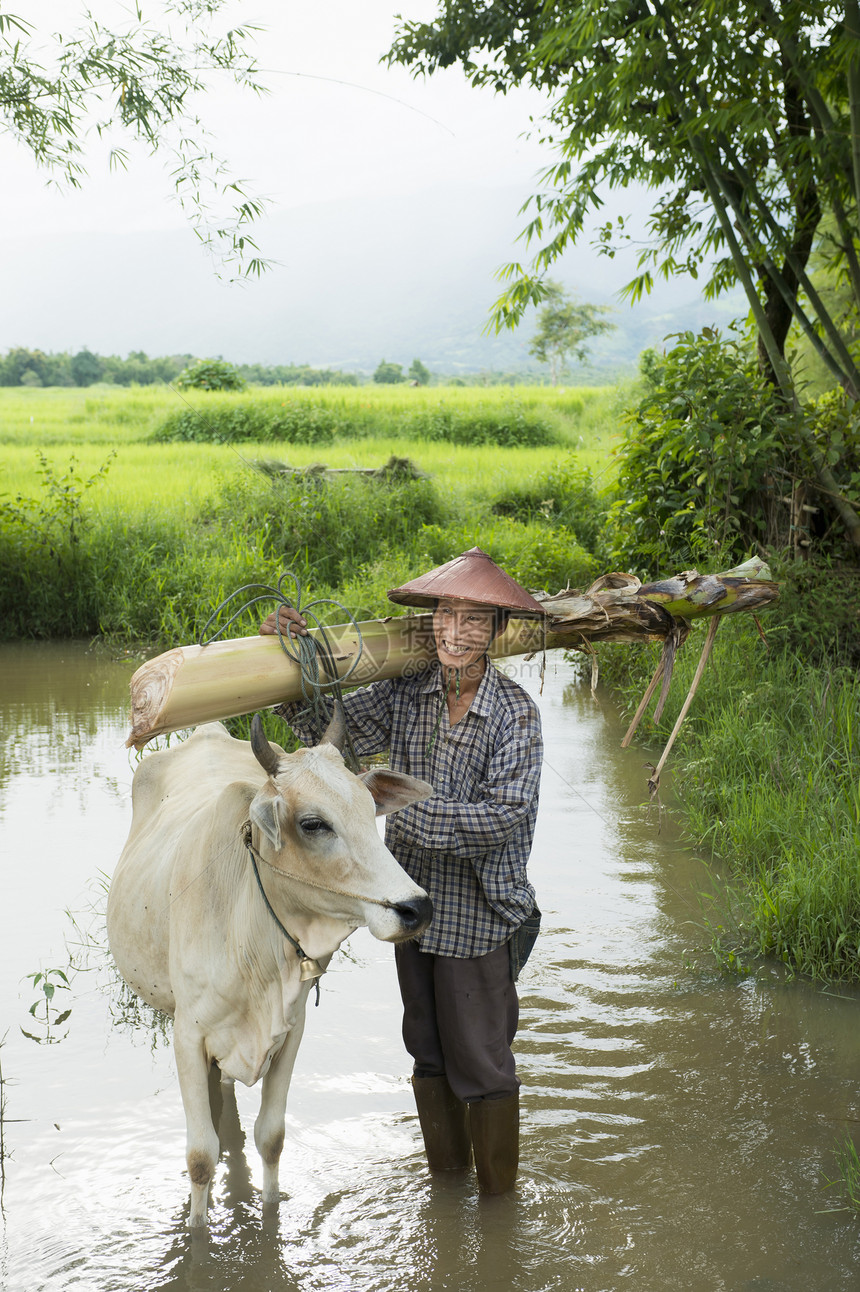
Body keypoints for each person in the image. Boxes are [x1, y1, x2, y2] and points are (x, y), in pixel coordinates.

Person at [260, 547, 544, 1194]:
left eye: (475, 621)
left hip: (480, 912)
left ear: (496, 632)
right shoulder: (404, 692)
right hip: (411, 906)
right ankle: (448, 1192)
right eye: (447, 613)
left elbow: (503, 816)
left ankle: (500, 1216)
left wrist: (400, 811)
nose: (456, 631)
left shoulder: (515, 714)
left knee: (483, 1064)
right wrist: (292, 653)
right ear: (432, 619)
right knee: (427, 1051)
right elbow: (330, 739)